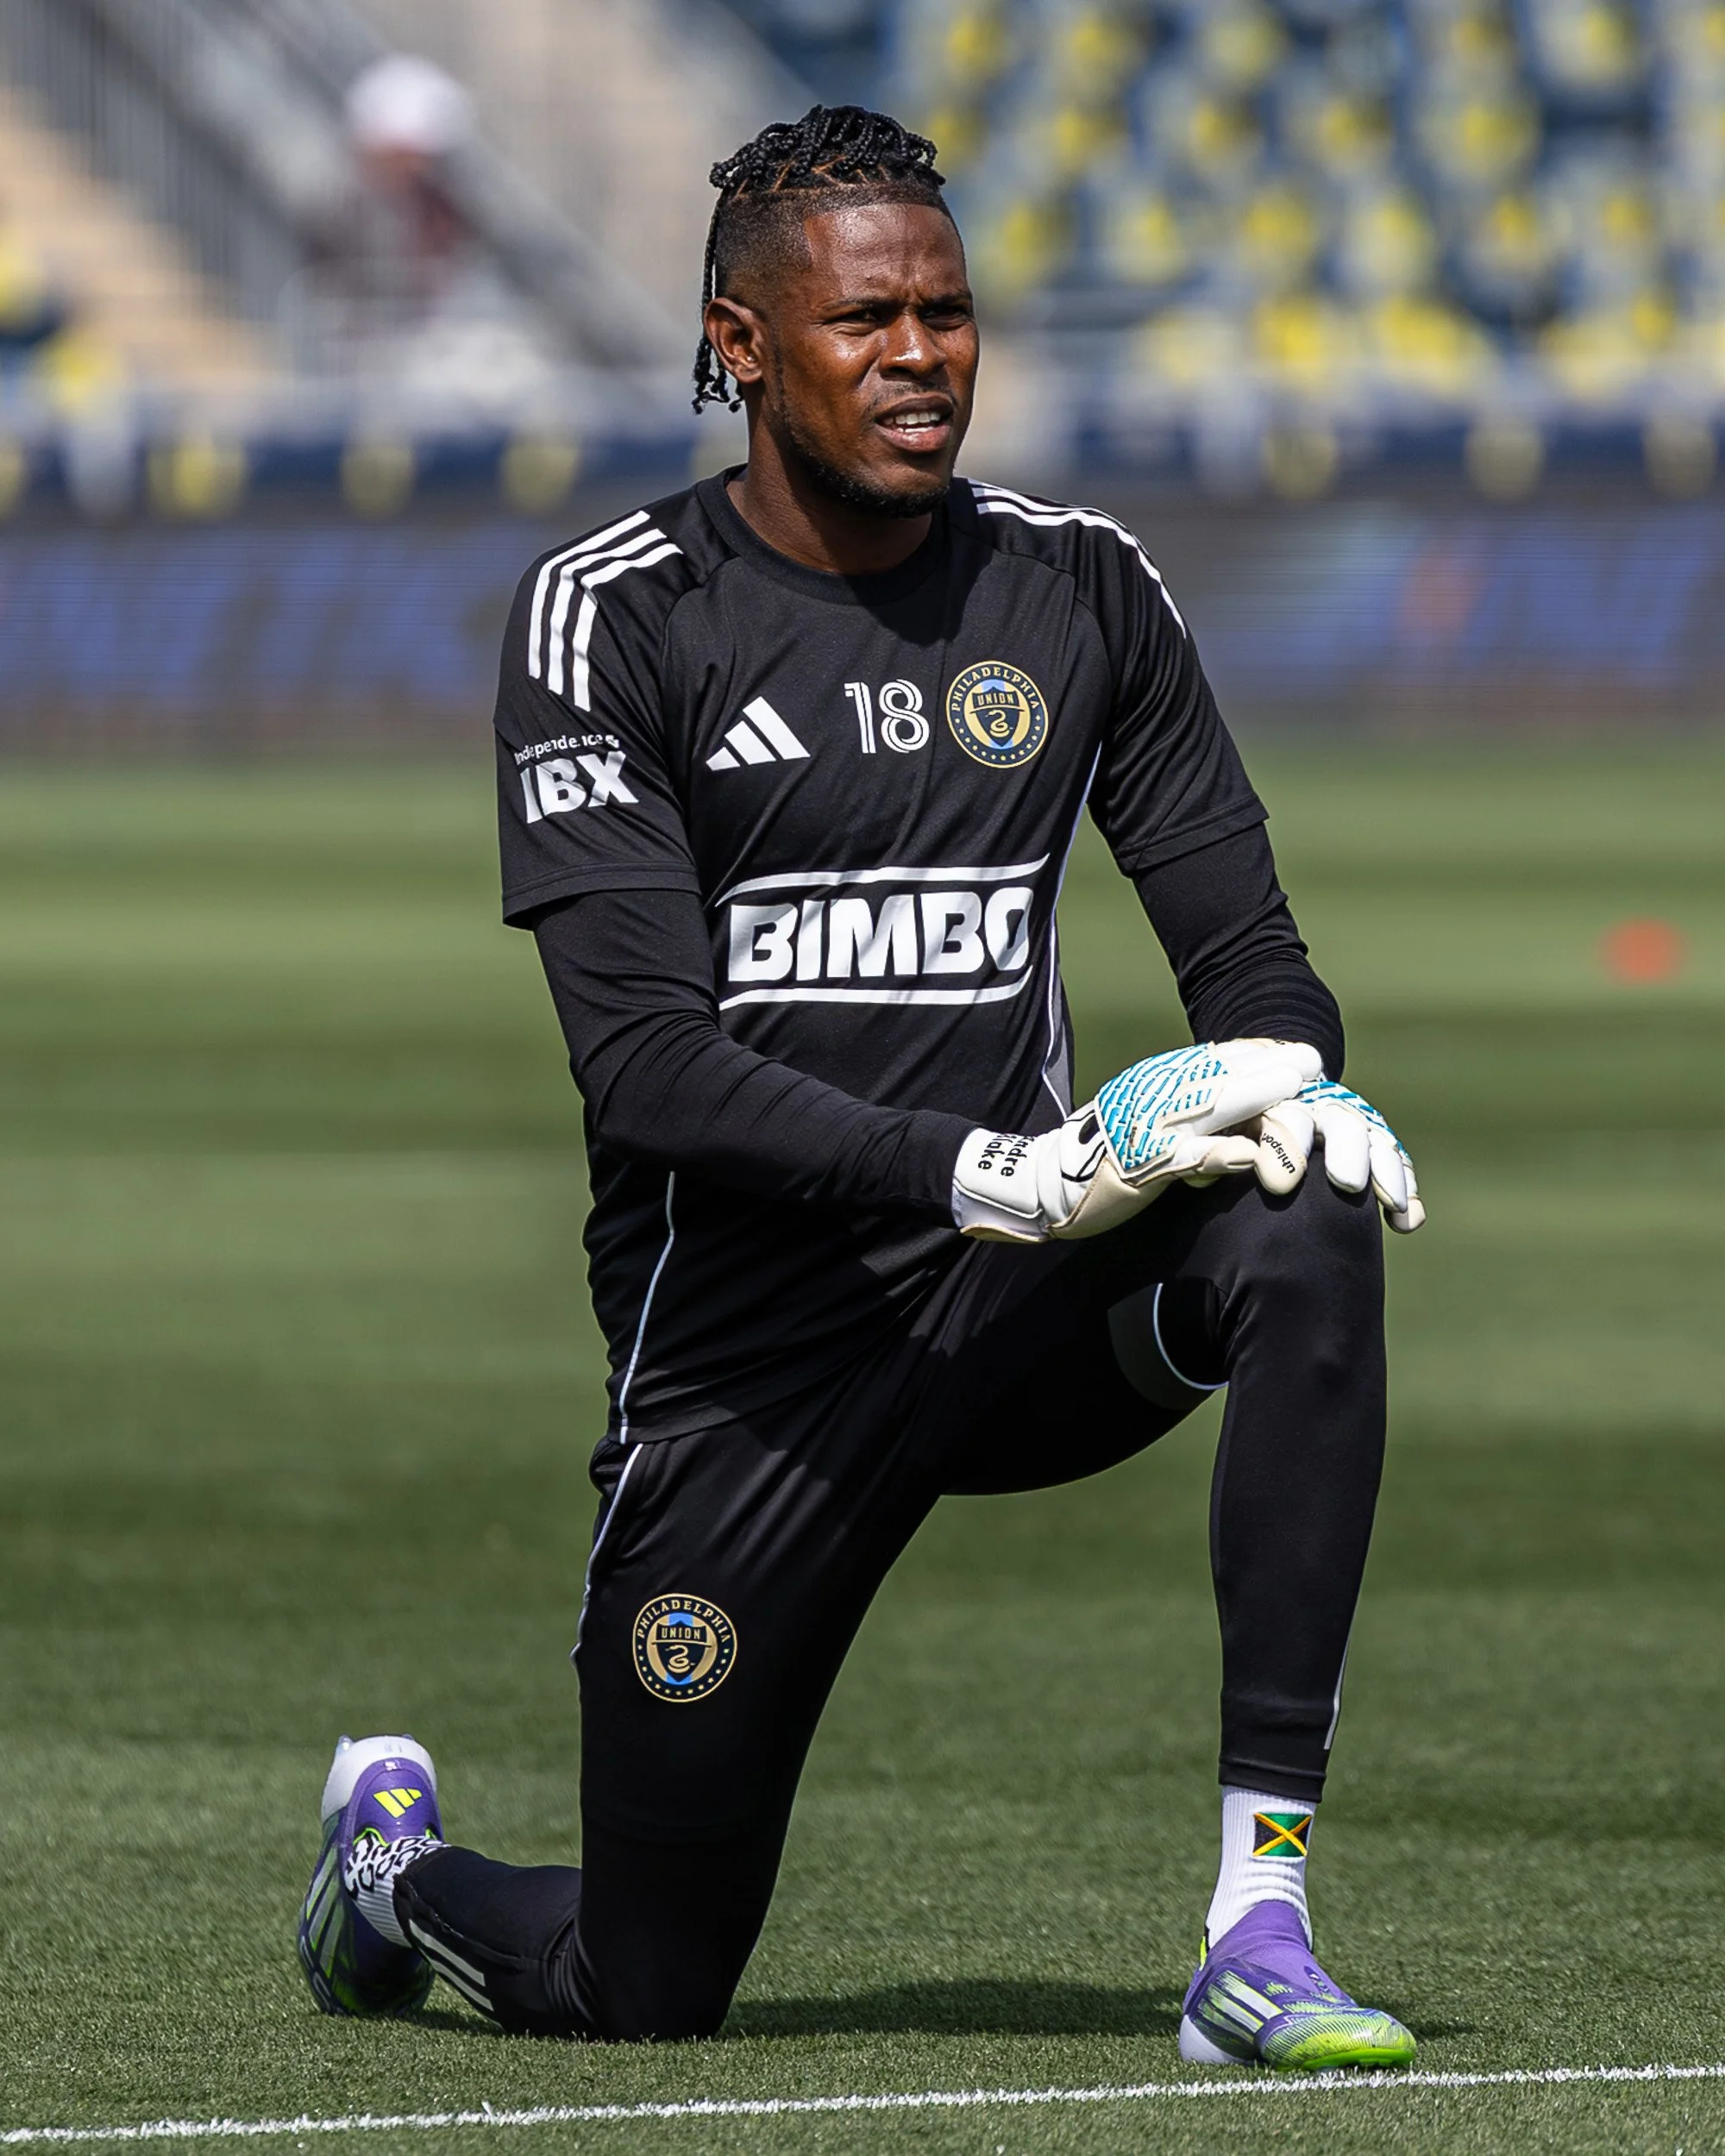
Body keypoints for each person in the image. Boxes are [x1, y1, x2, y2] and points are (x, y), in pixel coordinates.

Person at [296, 104, 1425, 2073]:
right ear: (739, 346)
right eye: (867, 320)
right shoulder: (611, 615)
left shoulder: (1082, 591)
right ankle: (395, 1874)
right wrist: (999, 1166)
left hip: (1018, 1325)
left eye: (950, 313)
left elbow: (1250, 956)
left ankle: (1261, 1923)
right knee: (646, 1987)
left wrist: (1285, 1074)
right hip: (751, 1361)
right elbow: (645, 1068)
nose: (922, 354)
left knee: (1301, 1217)